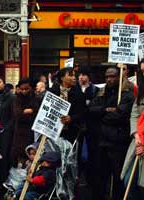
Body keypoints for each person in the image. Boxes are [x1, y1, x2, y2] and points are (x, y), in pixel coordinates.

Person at [88, 66, 134, 200]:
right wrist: (106, 110)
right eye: (107, 76)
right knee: (100, 177)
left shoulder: (127, 94)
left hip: (118, 142)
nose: (109, 79)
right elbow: (91, 110)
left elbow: (121, 115)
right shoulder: (101, 93)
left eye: (112, 76)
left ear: (120, 77)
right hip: (102, 141)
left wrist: (102, 114)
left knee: (118, 176)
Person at [121, 59, 144, 199]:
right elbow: (134, 114)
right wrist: (136, 136)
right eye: (143, 71)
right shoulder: (141, 91)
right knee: (128, 181)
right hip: (138, 143)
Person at [49, 67, 86, 144]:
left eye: (74, 76)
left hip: (72, 132)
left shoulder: (79, 94)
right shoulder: (51, 92)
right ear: (62, 78)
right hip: (53, 131)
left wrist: (71, 118)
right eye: (71, 75)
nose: (74, 78)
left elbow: (83, 113)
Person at [11, 78, 40, 164]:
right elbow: (17, 114)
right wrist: (28, 112)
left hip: (33, 131)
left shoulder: (36, 98)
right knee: (20, 154)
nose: (24, 91)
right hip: (20, 131)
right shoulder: (16, 99)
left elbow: (37, 113)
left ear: (31, 88)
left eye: (26, 89)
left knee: (32, 153)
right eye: (22, 89)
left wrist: (26, 112)